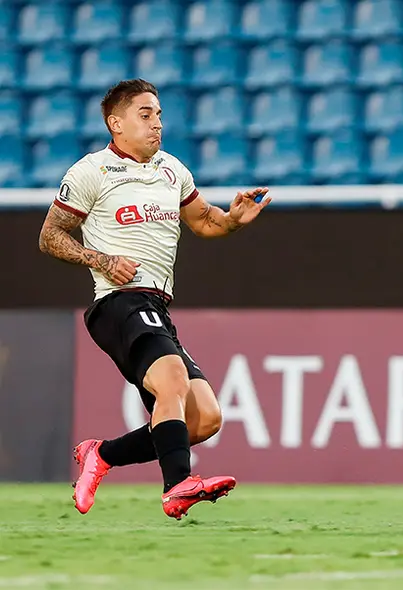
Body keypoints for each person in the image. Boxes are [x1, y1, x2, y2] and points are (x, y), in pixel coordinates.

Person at [37, 79, 273, 520]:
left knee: (205, 419)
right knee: (172, 379)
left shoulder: (172, 170)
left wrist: (233, 219)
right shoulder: (92, 171)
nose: (157, 124)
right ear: (116, 124)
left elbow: (204, 221)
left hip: (156, 307)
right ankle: (177, 485)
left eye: (159, 115)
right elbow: (50, 235)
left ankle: (101, 454)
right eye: (145, 115)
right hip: (118, 301)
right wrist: (101, 259)